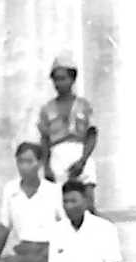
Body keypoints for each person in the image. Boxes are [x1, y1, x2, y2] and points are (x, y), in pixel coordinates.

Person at [38, 51, 98, 199]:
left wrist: (82, 161)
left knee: (88, 203)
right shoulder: (47, 109)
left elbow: (91, 135)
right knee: (60, 202)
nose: (59, 83)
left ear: (72, 79)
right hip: (57, 156)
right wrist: (46, 166)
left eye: (63, 79)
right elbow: (44, 139)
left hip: (80, 153)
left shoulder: (84, 105)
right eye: (56, 79)